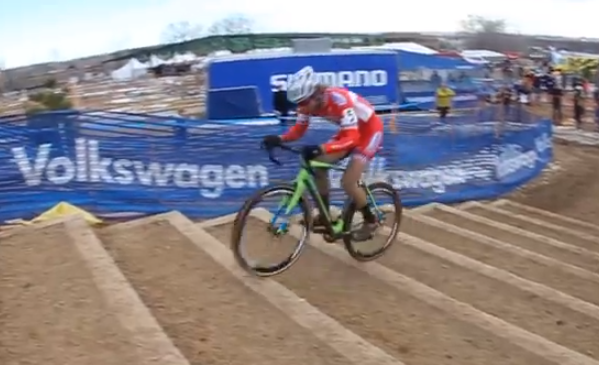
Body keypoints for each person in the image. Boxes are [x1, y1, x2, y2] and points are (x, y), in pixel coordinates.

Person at [261, 66, 384, 240]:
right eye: (298, 104)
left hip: (369, 132)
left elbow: (353, 138)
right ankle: (324, 216)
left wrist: (321, 148)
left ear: (316, 95)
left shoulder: (340, 100)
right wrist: (279, 139)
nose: (301, 107)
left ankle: (370, 220)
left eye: (304, 103)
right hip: (349, 131)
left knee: (348, 182)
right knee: (317, 165)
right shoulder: (306, 104)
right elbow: (298, 131)